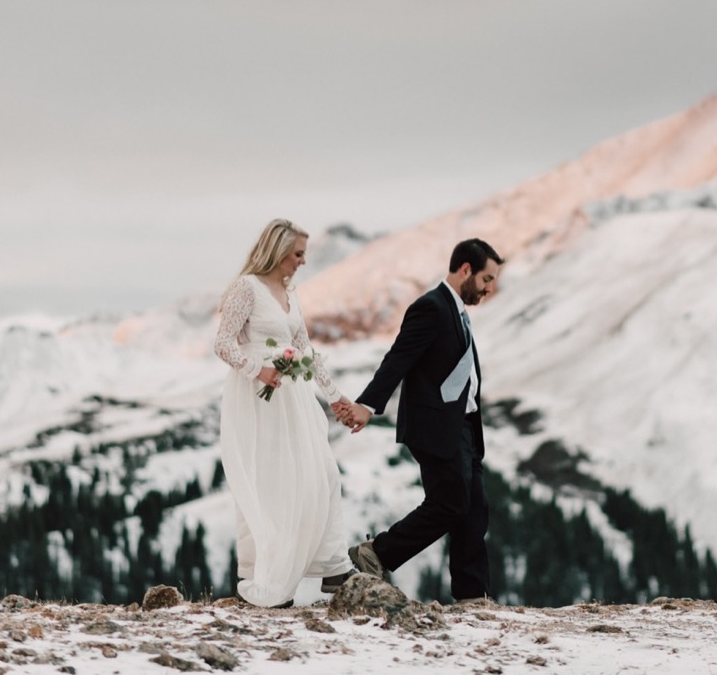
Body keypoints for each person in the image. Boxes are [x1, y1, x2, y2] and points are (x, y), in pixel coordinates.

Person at [335, 238, 504, 604]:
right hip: (436, 430)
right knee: (449, 503)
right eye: (487, 279)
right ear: (465, 270)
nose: (490, 288)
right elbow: (399, 358)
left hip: (465, 429)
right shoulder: (431, 308)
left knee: (474, 511)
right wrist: (368, 404)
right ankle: (376, 554)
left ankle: (472, 597)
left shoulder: (457, 311)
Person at [213, 218, 356, 607]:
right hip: (258, 398)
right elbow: (223, 343)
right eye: (297, 254)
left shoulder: (290, 293)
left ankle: (333, 564)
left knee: (322, 471)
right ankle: (260, 575)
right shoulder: (248, 289)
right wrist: (257, 370)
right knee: (267, 484)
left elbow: (306, 349)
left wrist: (336, 397)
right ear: (277, 252)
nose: (302, 261)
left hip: (295, 399)